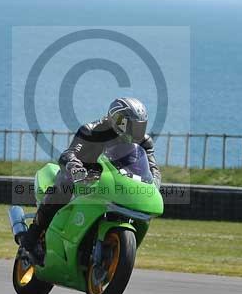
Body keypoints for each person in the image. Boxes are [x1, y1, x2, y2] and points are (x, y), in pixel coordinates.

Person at [20, 97, 161, 255]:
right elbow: (70, 152)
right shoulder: (92, 130)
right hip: (82, 177)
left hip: (114, 182)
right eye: (133, 126)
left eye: (140, 126)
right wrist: (74, 165)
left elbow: (153, 168)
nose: (137, 131)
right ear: (118, 120)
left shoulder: (144, 142)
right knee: (64, 184)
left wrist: (154, 184)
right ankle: (31, 238)